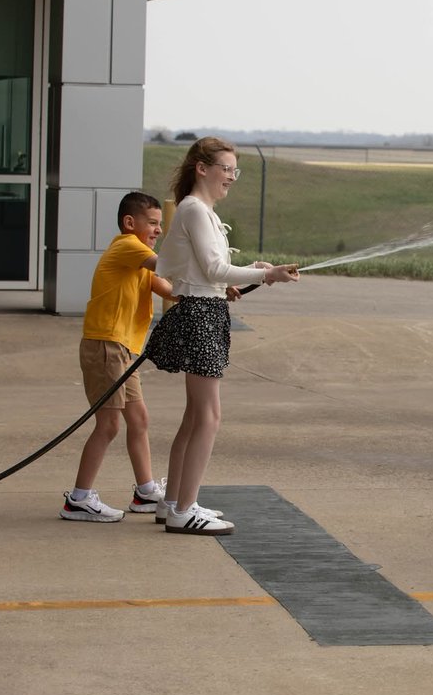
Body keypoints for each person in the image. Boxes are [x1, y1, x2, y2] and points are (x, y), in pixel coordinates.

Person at [146, 137, 299, 536]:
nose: (231, 176)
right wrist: (265, 274)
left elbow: (207, 272)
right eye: (225, 168)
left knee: (195, 416)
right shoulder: (196, 208)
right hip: (201, 315)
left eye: (235, 170)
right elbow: (213, 269)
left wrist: (249, 270)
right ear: (202, 168)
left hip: (203, 309)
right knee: (209, 418)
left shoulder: (200, 210)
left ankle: (173, 503)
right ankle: (183, 510)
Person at [60, 192, 176, 522]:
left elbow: (172, 289)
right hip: (105, 347)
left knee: (138, 420)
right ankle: (79, 500)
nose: (158, 230)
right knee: (109, 424)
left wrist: (224, 288)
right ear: (130, 223)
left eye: (160, 224)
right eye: (152, 223)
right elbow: (169, 267)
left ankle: (145, 493)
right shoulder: (128, 247)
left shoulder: (139, 261)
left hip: (123, 351)